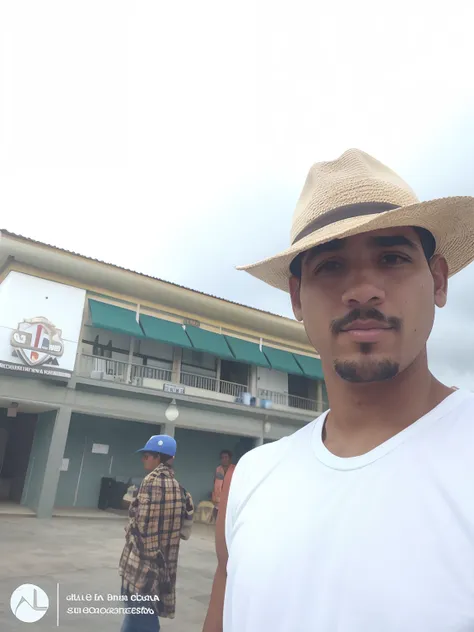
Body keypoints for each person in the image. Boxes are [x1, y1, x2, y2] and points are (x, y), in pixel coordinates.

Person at [203, 149, 474, 631]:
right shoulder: (250, 481)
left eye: (391, 258)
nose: (363, 290)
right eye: (330, 266)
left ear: (437, 280)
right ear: (296, 298)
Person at [119, 434, 194, 632]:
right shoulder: (182, 490)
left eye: (146, 455)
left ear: (158, 457)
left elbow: (140, 527)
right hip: (163, 567)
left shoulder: (149, 482)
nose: (143, 459)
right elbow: (185, 531)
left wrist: (131, 531)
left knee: (142, 619)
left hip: (141, 569)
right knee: (136, 617)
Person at [211, 450, 235, 519]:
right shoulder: (218, 469)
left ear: (230, 459)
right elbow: (215, 483)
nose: (224, 459)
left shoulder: (234, 469)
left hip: (229, 501)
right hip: (218, 501)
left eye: (226, 457)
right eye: (222, 457)